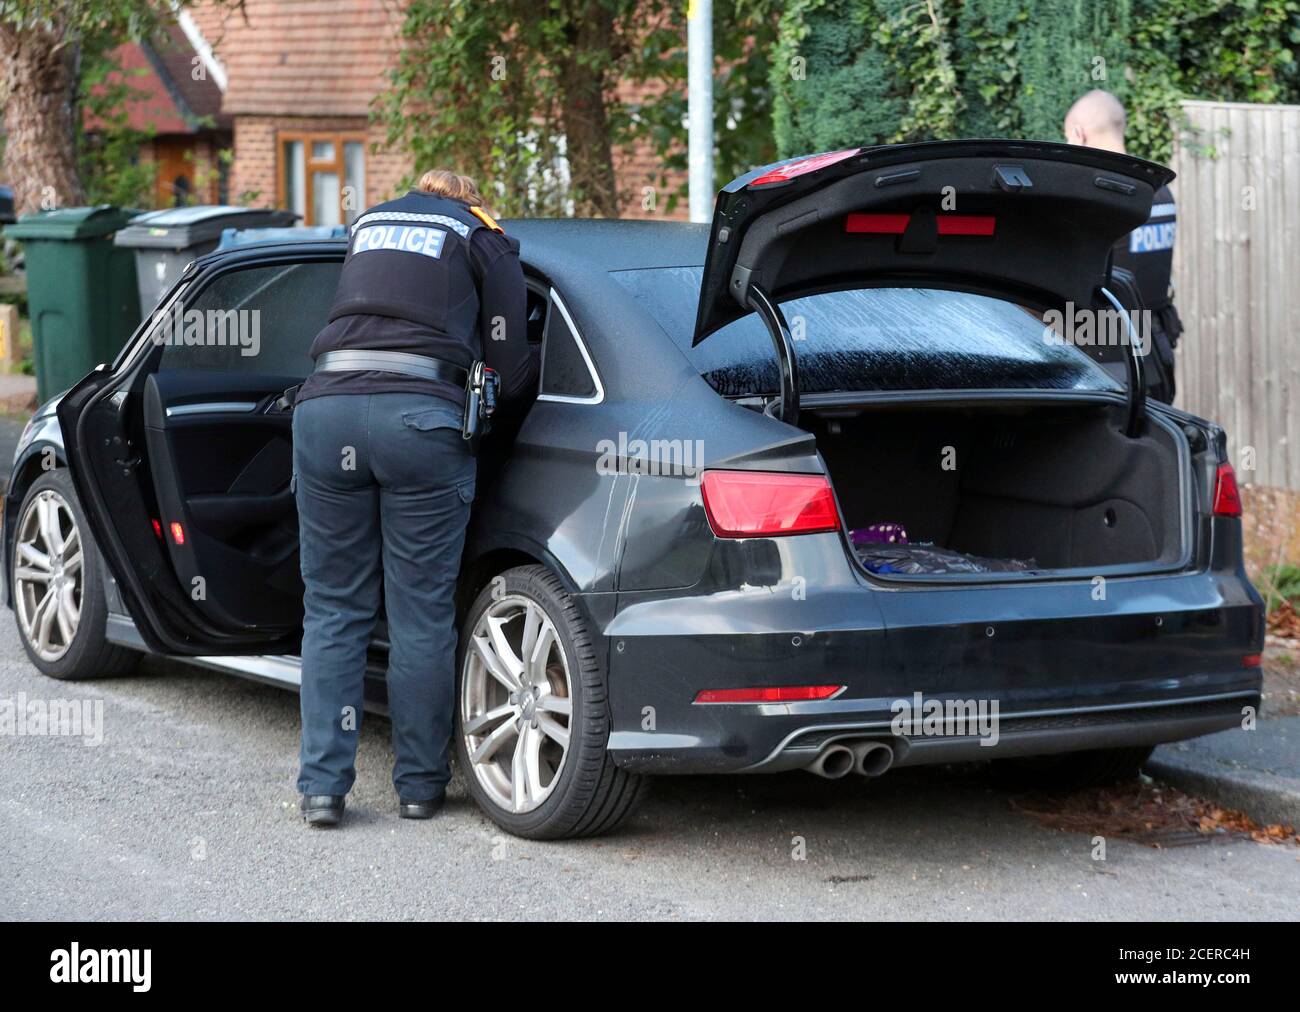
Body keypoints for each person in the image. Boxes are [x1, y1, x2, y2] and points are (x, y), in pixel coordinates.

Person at [293, 169, 537, 827]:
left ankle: (321, 787)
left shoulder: (369, 225)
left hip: (325, 412)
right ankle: (420, 787)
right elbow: (510, 366)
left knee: (335, 607)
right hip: (419, 423)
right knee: (421, 613)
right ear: (473, 198)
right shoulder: (480, 234)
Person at [1064, 89, 1182, 403]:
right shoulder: (1157, 191)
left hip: (1112, 359)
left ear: (1079, 134)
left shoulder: (1103, 197)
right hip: (1156, 351)